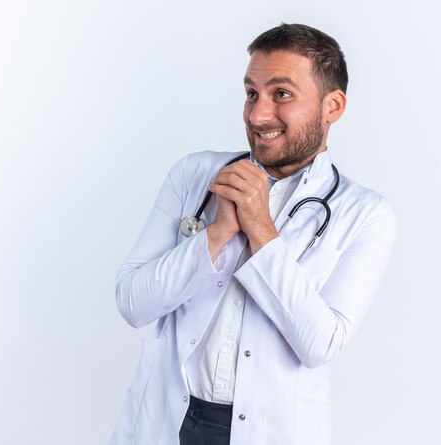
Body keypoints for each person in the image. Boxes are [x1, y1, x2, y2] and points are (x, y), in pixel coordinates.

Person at [109, 23, 397, 445]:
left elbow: (319, 345)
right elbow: (133, 303)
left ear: (332, 106)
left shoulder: (366, 214)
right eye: (251, 93)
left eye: (281, 94)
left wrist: (261, 228)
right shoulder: (196, 176)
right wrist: (217, 233)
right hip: (168, 417)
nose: (258, 115)